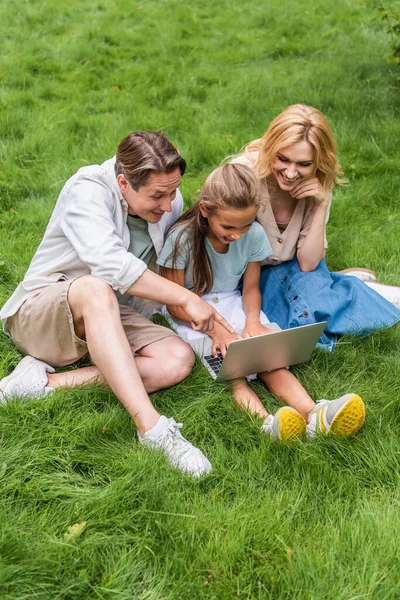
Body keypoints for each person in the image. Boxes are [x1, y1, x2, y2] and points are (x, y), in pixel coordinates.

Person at [0, 131, 235, 478]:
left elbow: (175, 260)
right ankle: (153, 429)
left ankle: (41, 386)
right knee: (97, 289)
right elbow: (112, 266)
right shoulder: (87, 191)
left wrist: (216, 316)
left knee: (176, 360)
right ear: (123, 182)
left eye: (173, 192)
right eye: (158, 195)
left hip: (106, 316)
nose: (169, 204)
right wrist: (186, 298)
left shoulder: (167, 202)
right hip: (39, 316)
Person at [156, 163, 366, 441]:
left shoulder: (253, 235)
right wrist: (217, 331)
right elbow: (174, 302)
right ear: (205, 211)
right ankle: (269, 423)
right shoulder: (181, 237)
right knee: (234, 371)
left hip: (233, 301)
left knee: (269, 358)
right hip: (189, 311)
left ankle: (315, 414)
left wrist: (253, 322)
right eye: (228, 226)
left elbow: (251, 288)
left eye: (245, 225)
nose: (237, 235)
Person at [232, 104, 400, 352]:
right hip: (249, 274)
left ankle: (340, 286)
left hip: (298, 265)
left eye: (303, 164)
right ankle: (344, 284)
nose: (290, 173)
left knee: (309, 312)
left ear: (318, 162)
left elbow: (308, 263)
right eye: (283, 159)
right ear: (271, 148)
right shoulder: (244, 173)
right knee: (300, 327)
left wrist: (320, 204)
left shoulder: (319, 182)